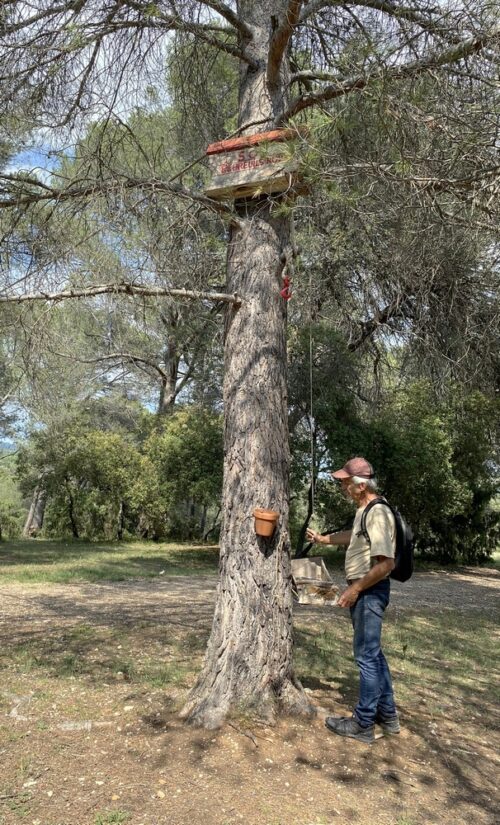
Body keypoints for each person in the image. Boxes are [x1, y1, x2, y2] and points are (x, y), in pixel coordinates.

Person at [306, 456, 400, 744]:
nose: (343, 487)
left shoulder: (378, 512)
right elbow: (354, 537)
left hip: (369, 593)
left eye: (346, 482)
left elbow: (386, 564)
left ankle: (363, 723)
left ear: (361, 486)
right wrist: (324, 539)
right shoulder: (365, 510)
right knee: (373, 654)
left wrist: (355, 589)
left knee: (366, 658)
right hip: (365, 592)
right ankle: (388, 716)